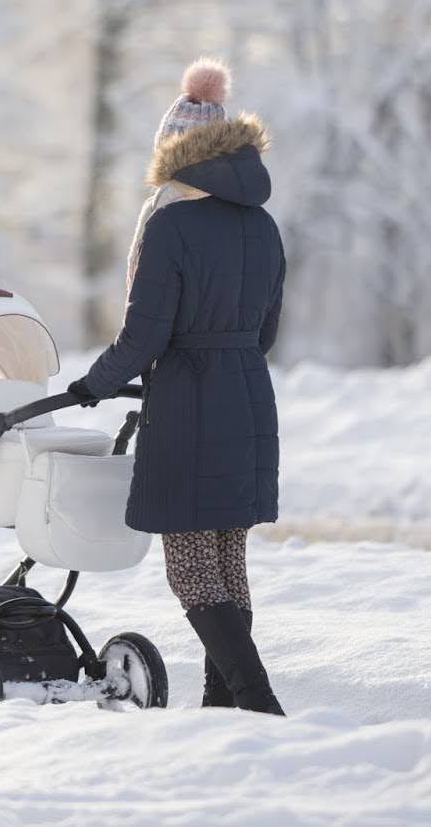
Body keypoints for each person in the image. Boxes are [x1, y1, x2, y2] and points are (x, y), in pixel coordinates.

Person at [67, 56, 286, 715]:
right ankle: (223, 711)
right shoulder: (264, 226)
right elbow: (266, 330)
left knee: (190, 566)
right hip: (249, 396)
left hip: (190, 405)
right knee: (227, 560)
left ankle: (256, 700)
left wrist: (91, 385)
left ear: (177, 152)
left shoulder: (170, 226)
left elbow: (143, 341)